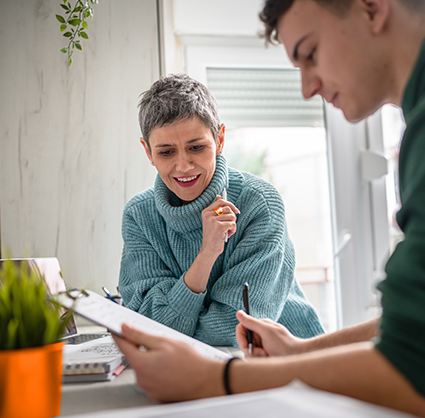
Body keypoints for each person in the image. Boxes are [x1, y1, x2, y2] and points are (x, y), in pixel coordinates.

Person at [114, 1, 425, 418]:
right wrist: (304, 349)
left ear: (371, 8)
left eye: (310, 53)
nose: (307, 88)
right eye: (166, 152)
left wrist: (214, 377)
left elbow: (407, 380)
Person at [119, 73, 324, 347]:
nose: (183, 166)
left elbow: (236, 330)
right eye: (166, 152)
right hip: (187, 369)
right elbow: (146, 326)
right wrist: (207, 255)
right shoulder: (139, 216)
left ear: (220, 139)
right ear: (148, 152)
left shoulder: (258, 203)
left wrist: (173, 324)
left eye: (196, 147)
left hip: (286, 363)